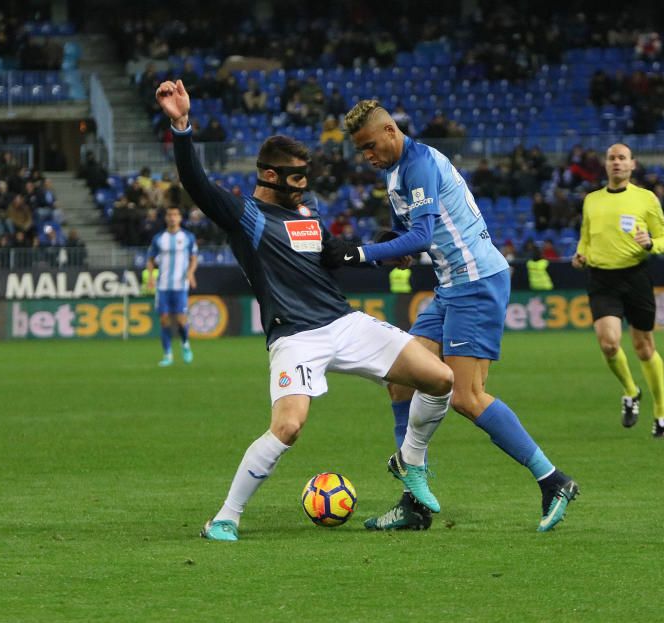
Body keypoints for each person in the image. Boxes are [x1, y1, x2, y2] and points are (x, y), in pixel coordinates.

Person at [155, 80, 454, 542]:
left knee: (439, 379)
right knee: (289, 426)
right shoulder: (245, 217)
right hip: (295, 335)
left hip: (344, 322)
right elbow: (195, 182)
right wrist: (181, 126)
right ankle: (226, 518)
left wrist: (381, 251)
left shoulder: (307, 214)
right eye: (296, 177)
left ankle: (410, 463)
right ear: (270, 176)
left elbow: (334, 254)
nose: (304, 185)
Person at [329, 99, 579, 532]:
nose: (367, 156)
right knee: (401, 379)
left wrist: (361, 253)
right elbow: (413, 238)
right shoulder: (393, 174)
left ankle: (553, 481)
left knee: (467, 395)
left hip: (477, 282)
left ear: (390, 131)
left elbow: (423, 234)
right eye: (360, 150)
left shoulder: (420, 165)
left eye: (370, 145)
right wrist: (397, 253)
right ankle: (414, 503)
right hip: (450, 286)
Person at [571, 143, 664, 438]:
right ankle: (631, 390)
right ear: (606, 165)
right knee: (609, 344)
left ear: (632, 165)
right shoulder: (592, 200)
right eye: (612, 158)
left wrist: (651, 243)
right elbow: (586, 238)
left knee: (644, 348)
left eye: (622, 158)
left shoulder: (646, 199)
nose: (616, 163)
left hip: (636, 276)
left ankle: (661, 412)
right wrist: (580, 255)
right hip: (602, 279)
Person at [146, 206, 199, 366]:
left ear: (180, 218)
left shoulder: (188, 237)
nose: (172, 217)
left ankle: (185, 345)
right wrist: (150, 277)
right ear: (166, 218)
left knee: (181, 321)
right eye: (170, 214)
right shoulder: (159, 238)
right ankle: (168, 355)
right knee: (164, 320)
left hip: (180, 285)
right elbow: (150, 258)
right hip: (162, 286)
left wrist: (190, 273)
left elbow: (194, 258)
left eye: (175, 214)